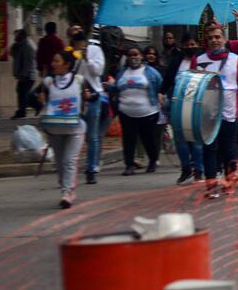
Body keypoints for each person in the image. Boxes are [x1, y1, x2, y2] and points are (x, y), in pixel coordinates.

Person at [191, 24, 238, 192]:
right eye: (210, 38)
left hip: (229, 112)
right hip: (207, 114)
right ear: (206, 41)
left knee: (228, 148)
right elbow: (191, 84)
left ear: (224, 39)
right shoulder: (199, 60)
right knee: (210, 148)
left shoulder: (234, 59)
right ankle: (211, 182)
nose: (214, 41)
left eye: (217, 37)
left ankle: (229, 179)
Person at [38, 50, 89, 208]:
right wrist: (41, 102)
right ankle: (64, 184)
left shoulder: (79, 80)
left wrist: (87, 98)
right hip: (55, 128)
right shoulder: (48, 82)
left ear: (67, 65)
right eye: (53, 61)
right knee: (60, 163)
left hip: (75, 128)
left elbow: (89, 98)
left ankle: (68, 192)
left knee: (69, 161)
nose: (53, 64)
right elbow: (32, 99)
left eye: (57, 61)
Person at [112, 45, 164, 175]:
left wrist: (162, 97)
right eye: (130, 55)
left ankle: (152, 160)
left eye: (136, 54)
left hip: (148, 112)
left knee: (148, 138)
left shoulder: (151, 72)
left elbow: (160, 86)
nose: (133, 57)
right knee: (129, 139)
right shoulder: (122, 73)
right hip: (126, 112)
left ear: (141, 56)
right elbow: (116, 88)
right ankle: (129, 164)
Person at [66, 30, 107, 186]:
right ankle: (70, 171)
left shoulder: (95, 51)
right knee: (73, 135)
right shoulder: (70, 53)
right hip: (75, 98)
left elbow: (98, 71)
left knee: (92, 135)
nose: (78, 46)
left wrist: (87, 59)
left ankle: (92, 169)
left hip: (93, 98)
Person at [162, 32, 205, 183]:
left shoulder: (202, 59)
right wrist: (161, 94)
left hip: (196, 105)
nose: (189, 47)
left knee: (196, 138)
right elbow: (167, 80)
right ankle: (186, 168)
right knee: (180, 138)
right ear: (182, 46)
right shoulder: (176, 61)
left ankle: (198, 169)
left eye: (192, 45)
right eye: (186, 45)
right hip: (178, 104)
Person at [9, 29, 38, 119]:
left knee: (24, 93)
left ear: (22, 36)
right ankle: (23, 110)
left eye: (16, 36)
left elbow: (28, 63)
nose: (15, 38)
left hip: (28, 75)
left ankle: (34, 106)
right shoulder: (21, 44)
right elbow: (15, 56)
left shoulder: (28, 46)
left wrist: (23, 75)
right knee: (21, 91)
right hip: (23, 74)